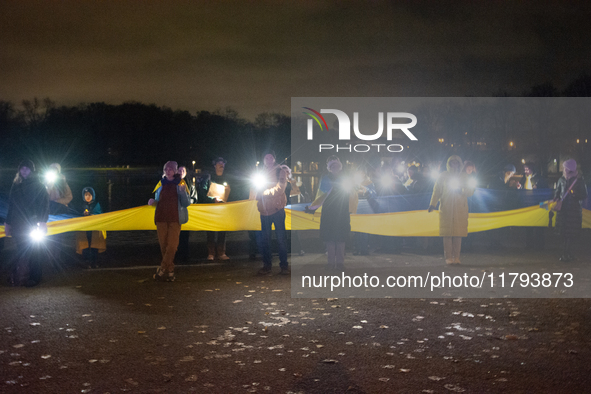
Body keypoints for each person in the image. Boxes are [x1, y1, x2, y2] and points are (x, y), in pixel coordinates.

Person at [5, 160, 50, 286]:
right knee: (22, 250)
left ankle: (35, 277)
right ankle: (22, 275)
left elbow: (44, 205)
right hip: (18, 224)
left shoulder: (39, 185)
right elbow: (11, 206)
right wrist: (8, 223)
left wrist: (42, 221)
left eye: (27, 168)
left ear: (32, 170)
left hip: (32, 223)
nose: (24, 170)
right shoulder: (16, 185)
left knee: (34, 251)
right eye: (22, 168)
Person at [306, 156, 353, 270]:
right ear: (329, 168)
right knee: (330, 238)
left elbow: (351, 194)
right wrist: (313, 207)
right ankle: (331, 263)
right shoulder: (325, 179)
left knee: (341, 237)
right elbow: (320, 196)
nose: (335, 168)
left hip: (342, 212)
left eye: (336, 166)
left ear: (340, 167)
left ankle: (340, 263)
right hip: (329, 212)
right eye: (332, 166)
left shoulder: (345, 179)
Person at [148, 161, 190, 282]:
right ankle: (170, 271)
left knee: (172, 246)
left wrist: (183, 193)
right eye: (166, 169)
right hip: (161, 218)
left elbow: (187, 203)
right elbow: (157, 200)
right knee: (164, 246)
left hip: (175, 219)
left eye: (171, 169)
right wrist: (152, 202)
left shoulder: (181, 183)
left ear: (176, 171)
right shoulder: (160, 184)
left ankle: (161, 270)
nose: (168, 171)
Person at [428, 155, 475, 265]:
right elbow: (437, 191)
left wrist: (462, 190)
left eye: (456, 163)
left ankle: (457, 257)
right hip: (446, 208)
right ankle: (448, 257)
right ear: (449, 164)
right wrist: (432, 204)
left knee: (458, 234)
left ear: (459, 164)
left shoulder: (464, 177)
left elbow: (470, 191)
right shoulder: (443, 176)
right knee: (447, 234)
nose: (454, 165)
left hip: (460, 209)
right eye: (452, 163)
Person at [253, 151, 290, 275]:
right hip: (264, 211)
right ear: (263, 160)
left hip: (277, 210)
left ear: (274, 159)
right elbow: (255, 189)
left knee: (281, 239)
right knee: (265, 240)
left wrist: (264, 193)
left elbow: (280, 189)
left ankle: (284, 266)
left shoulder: (281, 171)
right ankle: (267, 265)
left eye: (270, 157)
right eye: (266, 157)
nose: (268, 159)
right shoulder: (259, 173)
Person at [553, 159, 588, 262]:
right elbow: (557, 191)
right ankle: (565, 253)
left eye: (565, 167)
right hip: (563, 211)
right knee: (563, 233)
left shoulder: (579, 180)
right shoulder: (561, 179)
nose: (563, 169)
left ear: (569, 169)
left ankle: (568, 253)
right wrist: (555, 198)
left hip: (573, 211)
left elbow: (584, 195)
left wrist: (573, 193)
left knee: (571, 234)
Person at [75, 187, 106, 268]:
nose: (87, 197)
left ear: (93, 196)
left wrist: (92, 215)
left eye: (89, 195)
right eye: (86, 195)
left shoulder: (96, 204)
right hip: (85, 230)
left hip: (94, 229)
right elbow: (76, 215)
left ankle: (94, 262)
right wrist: (83, 214)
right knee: (85, 245)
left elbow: (100, 214)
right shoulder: (81, 205)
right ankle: (86, 262)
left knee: (94, 246)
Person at [206, 157, 231, 260]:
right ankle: (211, 253)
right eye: (219, 163)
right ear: (215, 165)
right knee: (210, 230)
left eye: (223, 164)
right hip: (211, 208)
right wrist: (213, 199)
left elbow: (232, 193)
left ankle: (221, 252)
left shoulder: (227, 178)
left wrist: (228, 192)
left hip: (223, 208)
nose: (221, 165)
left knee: (222, 230)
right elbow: (204, 192)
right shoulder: (209, 178)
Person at [175, 166, 197, 264]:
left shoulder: (190, 184)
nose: (181, 172)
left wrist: (188, 202)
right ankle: (175, 256)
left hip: (186, 213)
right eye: (179, 170)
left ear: (186, 172)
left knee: (185, 236)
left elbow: (194, 197)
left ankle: (184, 256)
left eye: (183, 170)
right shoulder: (172, 182)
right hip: (175, 214)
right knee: (175, 236)